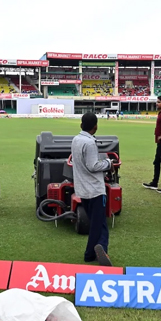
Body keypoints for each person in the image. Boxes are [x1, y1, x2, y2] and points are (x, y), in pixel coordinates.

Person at [71, 112, 115, 267]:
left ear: (81, 125)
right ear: (95, 127)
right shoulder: (89, 143)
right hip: (95, 190)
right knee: (98, 225)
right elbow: (93, 165)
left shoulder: (76, 139)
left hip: (82, 189)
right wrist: (108, 164)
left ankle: (100, 249)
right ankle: (91, 253)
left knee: (99, 223)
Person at [143, 95, 161, 193]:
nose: (157, 103)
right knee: (156, 162)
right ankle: (154, 182)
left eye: (159, 102)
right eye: (157, 102)